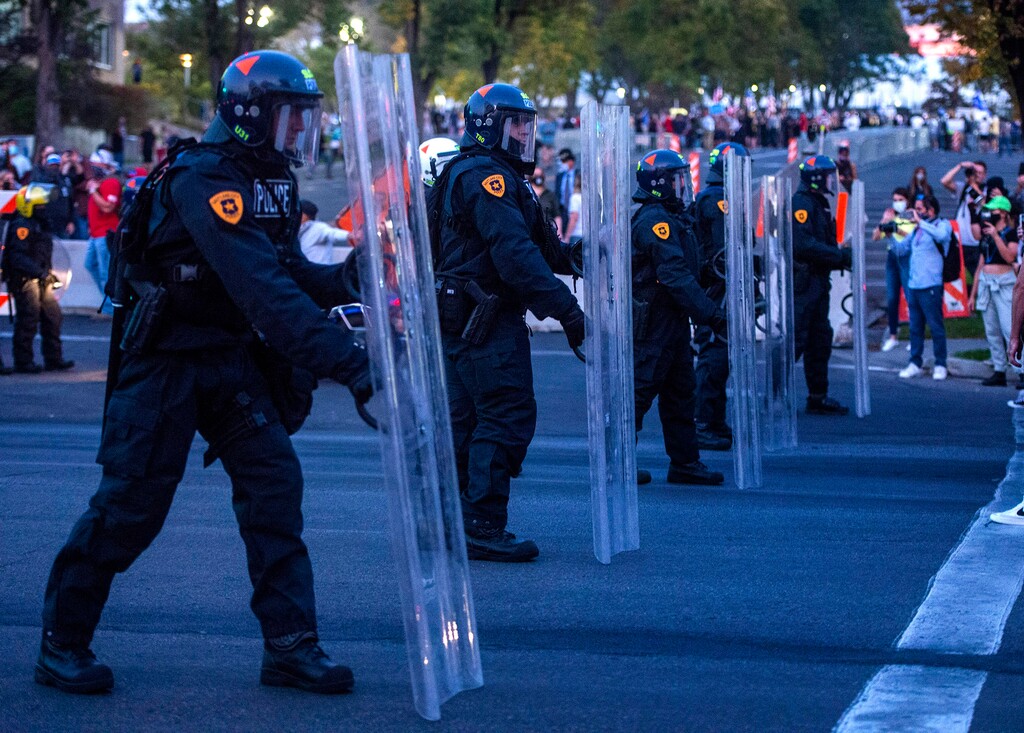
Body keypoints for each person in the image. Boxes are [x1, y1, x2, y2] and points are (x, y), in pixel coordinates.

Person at [36, 50, 372, 696]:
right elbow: (262, 289)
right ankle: (62, 640)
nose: (299, 130)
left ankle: (290, 644)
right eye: (290, 116)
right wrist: (350, 363)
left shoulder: (269, 177)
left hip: (228, 359)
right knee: (130, 508)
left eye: (304, 117)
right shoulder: (203, 177)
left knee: (274, 484)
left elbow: (285, 270)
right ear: (250, 114)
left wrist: (345, 279)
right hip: (167, 362)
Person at [432, 83, 584, 562]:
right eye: (516, 124)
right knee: (505, 415)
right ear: (488, 127)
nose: (524, 133)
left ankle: (459, 520)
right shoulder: (486, 177)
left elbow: (535, 246)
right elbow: (515, 255)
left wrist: (578, 257)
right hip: (484, 321)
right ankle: (480, 524)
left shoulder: (489, 174)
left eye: (526, 124)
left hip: (468, 318)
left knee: (469, 421)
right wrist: (568, 312)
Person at [631, 149, 726, 487]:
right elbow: (674, 276)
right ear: (659, 184)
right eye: (676, 180)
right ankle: (619, 461)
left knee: (680, 394)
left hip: (672, 322)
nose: (683, 186)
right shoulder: (653, 221)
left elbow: (688, 269)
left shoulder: (673, 218)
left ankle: (685, 462)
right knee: (638, 394)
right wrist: (713, 315)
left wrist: (713, 272)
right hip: (653, 324)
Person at [692, 142, 749, 450]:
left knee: (722, 356)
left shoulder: (721, 197)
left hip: (720, 286)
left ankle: (714, 419)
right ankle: (703, 422)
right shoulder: (717, 201)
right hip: (716, 288)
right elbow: (721, 254)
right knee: (714, 354)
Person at [791, 156, 853, 414]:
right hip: (804, 285)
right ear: (816, 178)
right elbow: (803, 244)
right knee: (796, 340)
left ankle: (817, 396)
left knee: (819, 340)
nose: (832, 181)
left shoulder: (819, 203)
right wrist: (838, 256)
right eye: (828, 176)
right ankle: (775, 395)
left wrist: (837, 256)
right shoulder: (802, 203)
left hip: (818, 281)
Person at [0, 183, 74, 373]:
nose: (43, 208)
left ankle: (53, 358)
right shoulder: (21, 226)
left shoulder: (40, 224)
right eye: (39, 206)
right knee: (28, 319)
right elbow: (17, 257)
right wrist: (40, 273)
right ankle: (23, 362)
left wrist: (47, 273)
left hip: (42, 277)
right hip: (25, 279)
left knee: (53, 317)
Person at [893, 194, 952, 380]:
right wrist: (892, 230)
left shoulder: (942, 224)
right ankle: (914, 362)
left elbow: (942, 236)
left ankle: (940, 363)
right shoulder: (916, 229)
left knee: (935, 326)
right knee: (915, 327)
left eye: (919, 209)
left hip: (931, 284)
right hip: (914, 285)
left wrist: (920, 222)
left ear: (930, 210)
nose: (915, 212)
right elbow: (901, 249)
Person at [968, 196, 1020, 386]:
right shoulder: (986, 234)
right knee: (991, 329)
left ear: (1003, 213)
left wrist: (997, 236)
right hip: (987, 283)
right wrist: (972, 294)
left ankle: (1021, 369)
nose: (990, 214)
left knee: (1009, 327)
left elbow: (1010, 256)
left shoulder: (1011, 233)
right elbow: (981, 264)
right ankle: (999, 369)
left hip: (1004, 283)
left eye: (994, 210)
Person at [874, 187, 915, 352]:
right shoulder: (891, 216)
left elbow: (911, 236)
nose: (897, 203)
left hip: (906, 256)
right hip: (892, 257)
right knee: (892, 298)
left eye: (900, 200)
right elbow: (875, 237)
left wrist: (895, 228)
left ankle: (914, 336)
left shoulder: (912, 215)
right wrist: (884, 221)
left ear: (907, 200)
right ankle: (893, 336)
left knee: (911, 297)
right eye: (895, 200)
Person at [85, 165, 121, 315]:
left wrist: (93, 191)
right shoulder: (100, 184)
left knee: (105, 272)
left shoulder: (111, 183)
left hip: (105, 233)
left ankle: (110, 309)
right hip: (96, 234)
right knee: (90, 265)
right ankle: (109, 305)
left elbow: (108, 207)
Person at [941, 159, 986, 277]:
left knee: (976, 276)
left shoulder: (986, 189)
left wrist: (973, 186)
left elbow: (982, 203)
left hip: (975, 242)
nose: (977, 175)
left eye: (980, 173)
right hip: (960, 240)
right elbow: (944, 181)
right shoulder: (963, 188)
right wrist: (960, 166)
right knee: (961, 277)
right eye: (975, 172)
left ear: (985, 175)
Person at [298, 199, 351, 265]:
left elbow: (333, 234)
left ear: (306, 215)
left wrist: (349, 235)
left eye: (300, 212)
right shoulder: (296, 230)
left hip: (320, 270)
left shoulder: (318, 228)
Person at [529, 166, 562, 239]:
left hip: (548, 234)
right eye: (536, 175)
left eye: (540, 175)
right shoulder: (527, 194)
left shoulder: (550, 195)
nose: (538, 177)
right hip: (531, 233)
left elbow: (557, 215)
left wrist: (559, 233)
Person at [555, 147, 577, 228]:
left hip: (575, 210)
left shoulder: (579, 175)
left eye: (564, 161)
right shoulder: (559, 176)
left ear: (571, 161)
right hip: (562, 211)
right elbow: (557, 193)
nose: (561, 164)